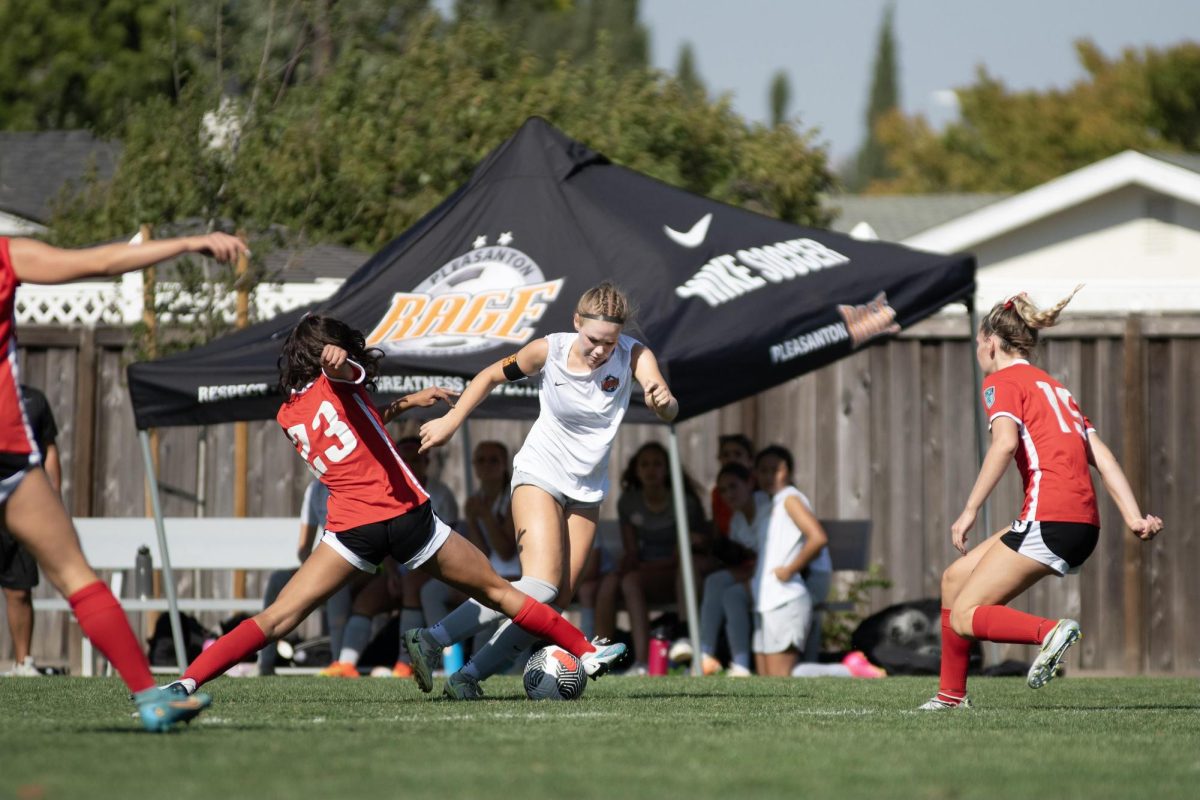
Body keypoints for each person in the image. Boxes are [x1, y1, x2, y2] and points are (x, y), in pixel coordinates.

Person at [167, 314, 624, 697]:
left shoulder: (288, 415)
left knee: (277, 617)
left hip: (350, 530)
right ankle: (584, 650)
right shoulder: (341, 377)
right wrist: (341, 365)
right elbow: (348, 378)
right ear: (330, 350)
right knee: (500, 591)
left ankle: (186, 682)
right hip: (404, 515)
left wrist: (407, 403)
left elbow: (356, 425)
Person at [0, 231, 247, 730]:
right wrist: (189, 243)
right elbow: (105, 260)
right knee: (75, 576)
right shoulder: (5, 256)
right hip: (4, 449)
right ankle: (150, 699)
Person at [408, 281, 678, 699]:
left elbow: (666, 401)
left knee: (549, 605)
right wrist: (451, 421)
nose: (601, 350)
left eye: (610, 342)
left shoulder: (634, 355)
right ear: (576, 323)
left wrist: (663, 402)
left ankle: (466, 679)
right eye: (593, 339)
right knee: (542, 585)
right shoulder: (548, 350)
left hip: (587, 492)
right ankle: (431, 639)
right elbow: (490, 375)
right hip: (540, 473)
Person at [921, 288, 1163, 710]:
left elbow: (1002, 445)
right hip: (1078, 522)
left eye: (978, 343)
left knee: (965, 614)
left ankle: (1048, 632)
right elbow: (1101, 455)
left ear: (990, 343)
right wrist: (1134, 517)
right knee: (954, 580)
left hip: (1049, 517)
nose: (979, 351)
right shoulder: (1056, 389)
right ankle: (950, 697)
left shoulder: (1001, 381)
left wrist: (970, 509)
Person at [320, 437, 460, 679]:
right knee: (365, 601)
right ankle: (345, 665)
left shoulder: (441, 494)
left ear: (426, 462)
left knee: (411, 588)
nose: (408, 464)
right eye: (403, 459)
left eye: (415, 459)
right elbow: (382, 537)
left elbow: (448, 542)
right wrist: (392, 572)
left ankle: (405, 664)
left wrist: (408, 576)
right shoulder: (387, 490)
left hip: (433, 569)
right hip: (397, 569)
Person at [609, 441, 710, 673]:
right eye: (645, 464)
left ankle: (684, 635)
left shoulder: (685, 502)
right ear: (636, 470)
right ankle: (642, 662)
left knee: (686, 567)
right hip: (650, 574)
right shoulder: (627, 502)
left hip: (683, 576)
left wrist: (647, 566)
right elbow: (632, 552)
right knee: (629, 581)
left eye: (657, 464)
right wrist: (633, 564)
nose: (651, 470)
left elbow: (683, 554)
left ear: (667, 469)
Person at [751, 445, 831, 677]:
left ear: (789, 472)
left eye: (775, 469)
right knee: (767, 686)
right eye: (763, 470)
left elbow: (818, 538)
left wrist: (790, 569)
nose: (769, 476)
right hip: (766, 603)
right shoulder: (769, 504)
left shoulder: (790, 499)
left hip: (785, 600)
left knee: (782, 682)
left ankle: (849, 669)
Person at [1, 385, 59, 676]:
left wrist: (54, 499)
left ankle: (24, 663)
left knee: (19, 590)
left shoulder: (34, 400)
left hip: (22, 508)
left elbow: (49, 450)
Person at [697, 461, 763, 677]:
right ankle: (706, 655)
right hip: (758, 576)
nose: (728, 494)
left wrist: (750, 572)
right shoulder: (737, 520)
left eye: (733, 486)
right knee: (716, 582)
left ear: (750, 483)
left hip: (784, 578)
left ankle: (740, 664)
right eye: (723, 490)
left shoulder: (767, 507)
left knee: (732, 595)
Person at [710, 434, 755, 537]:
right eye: (726, 455)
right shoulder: (717, 493)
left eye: (737, 454)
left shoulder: (764, 489)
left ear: (750, 460)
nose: (731, 459)